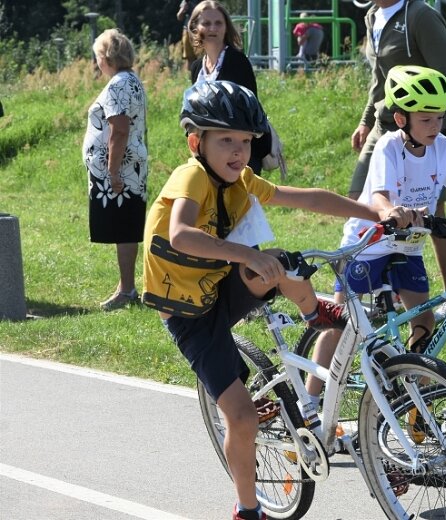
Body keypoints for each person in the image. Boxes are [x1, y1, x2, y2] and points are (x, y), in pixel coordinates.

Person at [141, 80, 413, 520]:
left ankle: (315, 314)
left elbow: (305, 198)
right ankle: (247, 509)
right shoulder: (190, 176)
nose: (238, 151)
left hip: (218, 288)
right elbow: (181, 234)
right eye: (226, 140)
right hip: (191, 314)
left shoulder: (241, 178)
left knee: (283, 262)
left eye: (246, 142)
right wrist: (247, 254)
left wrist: (374, 212)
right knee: (243, 419)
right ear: (196, 142)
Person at [304, 65, 446, 407]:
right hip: (368, 243)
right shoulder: (388, 148)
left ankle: (413, 400)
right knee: (342, 324)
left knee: (423, 320)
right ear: (401, 120)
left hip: (408, 245)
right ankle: (309, 400)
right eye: (426, 119)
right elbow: (379, 195)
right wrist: (389, 211)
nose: (435, 126)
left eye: (439, 117)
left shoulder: (441, 147)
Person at [350, 0, 446, 304]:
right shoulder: (372, 15)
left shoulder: (422, 16)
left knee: (434, 213)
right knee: (359, 202)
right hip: (384, 124)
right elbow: (379, 78)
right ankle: (375, 290)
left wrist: (441, 133)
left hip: (420, 126)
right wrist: (365, 121)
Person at [82, 29, 148, 311]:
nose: (97, 62)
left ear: (105, 57)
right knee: (126, 228)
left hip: (122, 172)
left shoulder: (118, 85)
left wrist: (112, 171)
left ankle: (128, 289)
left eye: (98, 56)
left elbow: (119, 130)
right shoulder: (130, 80)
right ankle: (125, 284)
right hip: (130, 167)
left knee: (123, 228)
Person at [188, 0, 281, 176]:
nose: (213, 28)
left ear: (225, 27)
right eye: (206, 23)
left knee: (241, 202)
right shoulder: (197, 67)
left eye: (218, 23)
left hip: (240, 151)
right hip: (209, 152)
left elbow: (249, 109)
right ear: (195, 27)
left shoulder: (236, 61)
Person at [176, 0, 198, 69]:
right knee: (189, 57)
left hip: (200, 30)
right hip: (187, 30)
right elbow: (179, 17)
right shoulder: (186, 2)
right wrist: (182, 10)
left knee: (201, 55)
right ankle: (191, 77)